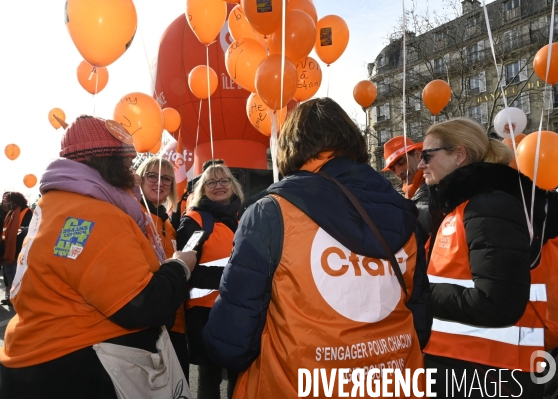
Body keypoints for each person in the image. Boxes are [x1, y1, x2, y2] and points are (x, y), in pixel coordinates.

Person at [203, 98, 430, 398]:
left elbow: (230, 342)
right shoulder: (403, 212)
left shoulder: (271, 213)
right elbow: (420, 321)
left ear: (291, 146)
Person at [0, 115, 197, 399]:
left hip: (40, 363)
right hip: (79, 369)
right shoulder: (93, 212)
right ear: (109, 163)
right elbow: (142, 305)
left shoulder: (58, 203)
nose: (134, 173)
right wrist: (179, 267)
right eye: (128, 162)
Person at [418, 118, 542, 397]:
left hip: (491, 373)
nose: (420, 164)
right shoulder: (464, 207)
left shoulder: (489, 205)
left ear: (459, 155)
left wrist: (420, 293)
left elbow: (499, 303)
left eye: (427, 155)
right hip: (466, 366)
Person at [177, 163, 243, 399]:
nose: (219, 186)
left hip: (238, 310)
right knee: (210, 375)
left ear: (233, 186)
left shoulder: (241, 219)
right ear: (203, 189)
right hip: (205, 313)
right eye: (211, 182)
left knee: (239, 371)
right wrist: (231, 279)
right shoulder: (194, 221)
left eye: (224, 181)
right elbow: (184, 268)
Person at [136, 157, 190, 381]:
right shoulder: (133, 215)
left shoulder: (168, 224)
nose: (160, 182)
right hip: (146, 323)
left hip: (174, 323)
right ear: (140, 179)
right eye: (152, 176)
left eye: (166, 178)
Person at [381, 136, 432, 236]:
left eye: (401, 162)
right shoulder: (393, 198)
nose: (398, 172)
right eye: (393, 169)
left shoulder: (439, 187)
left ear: (418, 155)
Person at [0, 192, 33, 306]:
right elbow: (5, 230)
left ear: (16, 201)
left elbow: (28, 230)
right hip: (8, 248)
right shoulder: (10, 213)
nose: (7, 203)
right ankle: (12, 296)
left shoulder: (28, 212)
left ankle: (20, 298)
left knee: (17, 275)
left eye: (9, 201)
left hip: (19, 249)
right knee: (9, 274)